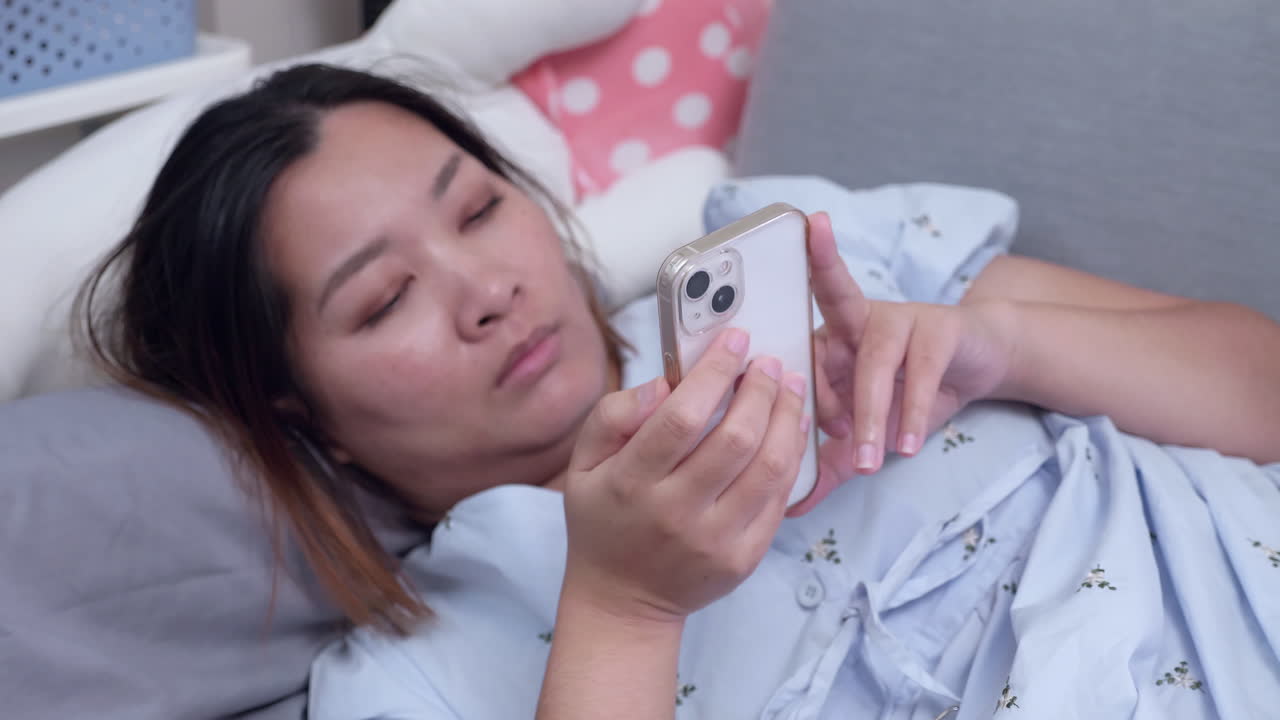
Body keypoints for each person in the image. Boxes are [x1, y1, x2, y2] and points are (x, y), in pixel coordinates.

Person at [80, 64, 1280, 719]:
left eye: (480, 208)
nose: (486, 289)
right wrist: (626, 611)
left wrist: (998, 350)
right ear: (298, 414)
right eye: (385, 298)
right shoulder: (412, 679)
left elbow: (1262, 388)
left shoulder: (811, 250)